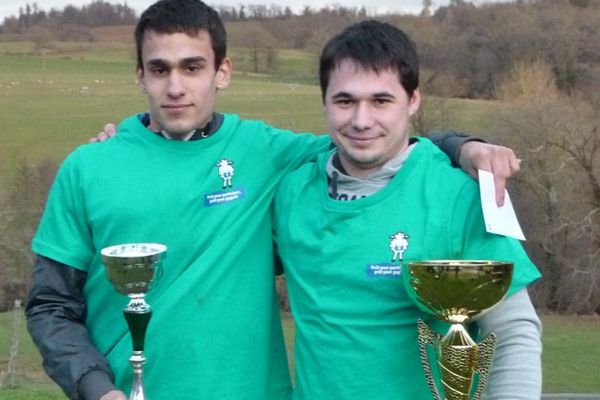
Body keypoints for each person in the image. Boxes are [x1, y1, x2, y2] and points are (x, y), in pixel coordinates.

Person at [25, 1, 521, 399]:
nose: (175, 87)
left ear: (222, 72)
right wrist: (99, 390)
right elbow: (49, 305)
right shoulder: (88, 168)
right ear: (140, 76)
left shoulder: (266, 152)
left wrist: (463, 147)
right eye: (159, 69)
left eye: (193, 67)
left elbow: (377, 143)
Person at [272, 20, 541, 400]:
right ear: (324, 102)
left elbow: (514, 331)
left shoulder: (461, 196)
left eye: (381, 101)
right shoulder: (292, 192)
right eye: (345, 101)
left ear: (413, 100)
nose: (362, 121)